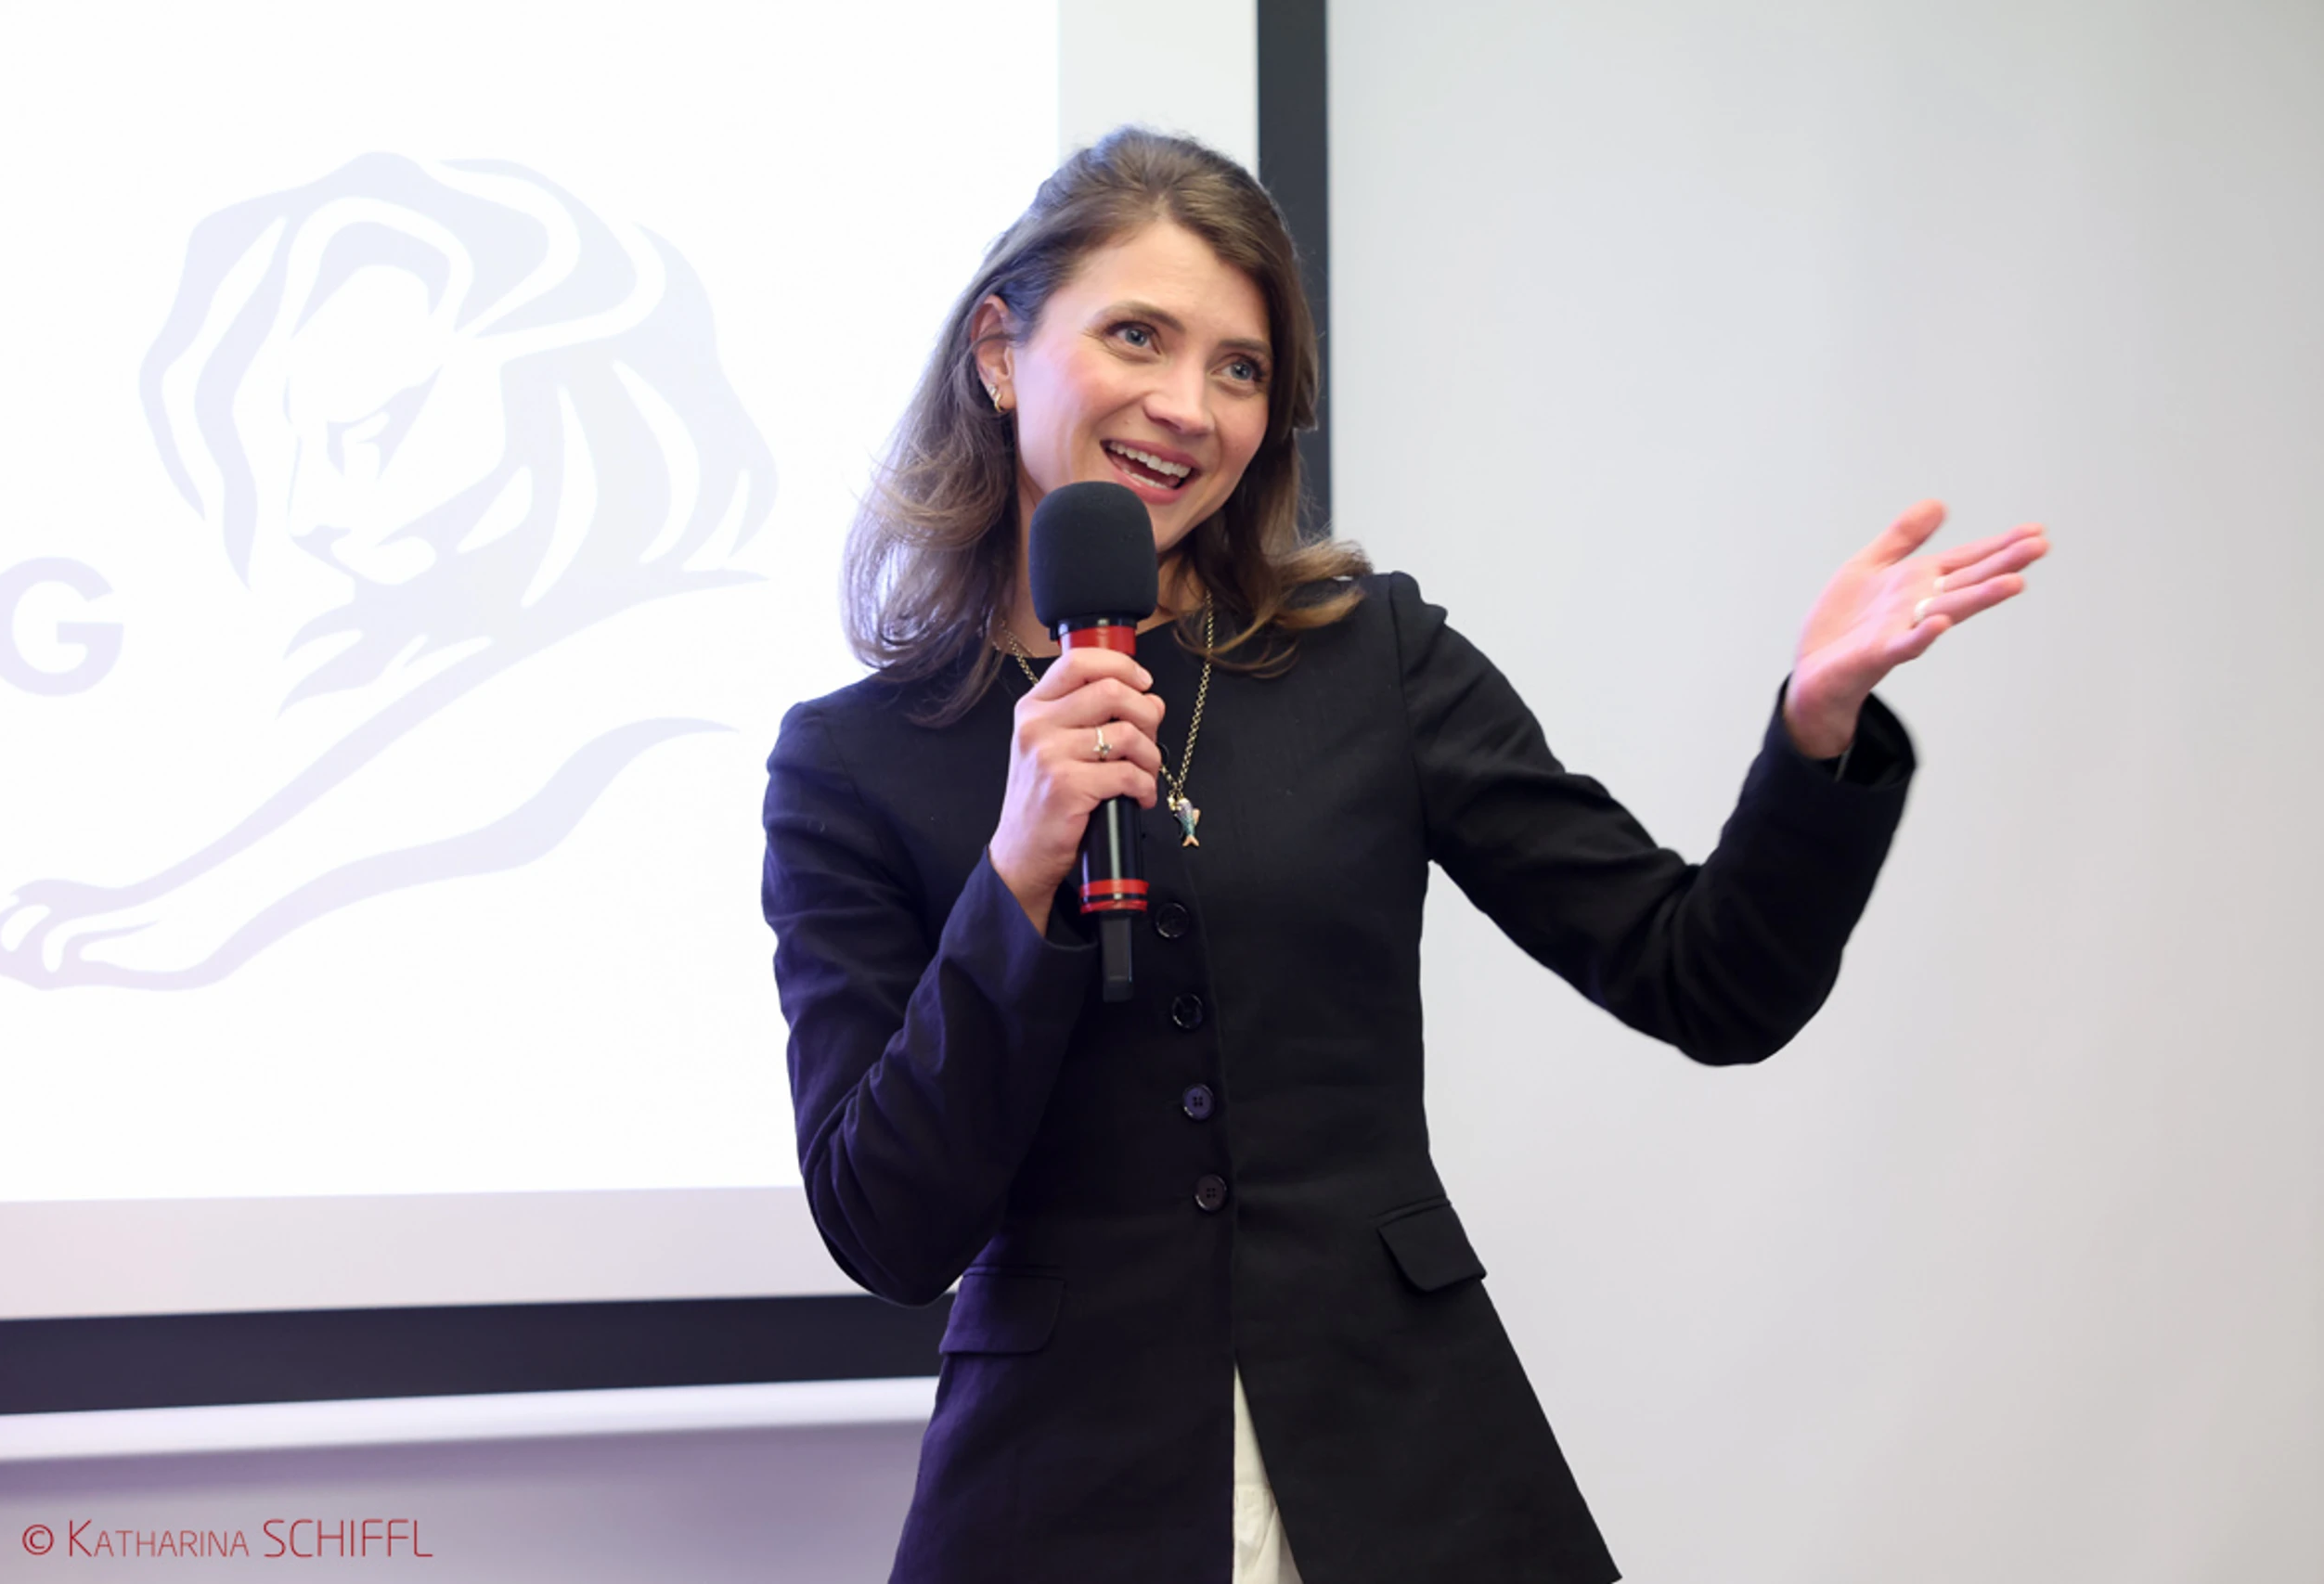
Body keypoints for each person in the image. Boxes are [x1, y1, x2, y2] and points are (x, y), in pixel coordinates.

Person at [761, 128, 2046, 1584]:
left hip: (1416, 1475)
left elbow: (1708, 980)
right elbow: (887, 1224)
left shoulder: (1369, 657)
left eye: (1241, 368)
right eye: (1138, 336)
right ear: (1001, 349)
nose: (1187, 407)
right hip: (1058, 1501)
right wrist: (1018, 876)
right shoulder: (853, 762)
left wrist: (1815, 729)